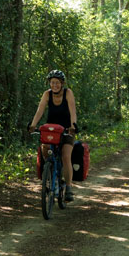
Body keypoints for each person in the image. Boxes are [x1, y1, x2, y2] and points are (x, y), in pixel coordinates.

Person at [29, 70, 77, 202]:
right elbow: (40, 110)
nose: (54, 85)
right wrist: (33, 125)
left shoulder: (68, 93)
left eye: (57, 82)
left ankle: (68, 188)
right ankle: (53, 178)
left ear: (62, 83)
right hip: (51, 130)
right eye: (52, 82)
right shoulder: (47, 94)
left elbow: (73, 111)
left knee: (66, 156)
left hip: (67, 129)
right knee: (46, 152)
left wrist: (73, 126)